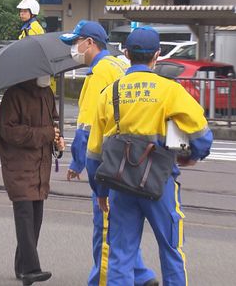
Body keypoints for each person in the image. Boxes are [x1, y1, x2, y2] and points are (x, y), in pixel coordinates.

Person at [86, 27, 213, 285]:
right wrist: (193, 155)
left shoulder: (110, 93)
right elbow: (202, 135)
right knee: (171, 249)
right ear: (157, 55)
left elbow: (94, 152)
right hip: (160, 181)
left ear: (126, 54)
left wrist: (100, 191)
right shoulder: (170, 90)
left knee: (121, 254)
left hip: (119, 184)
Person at [60, 20, 159, 286]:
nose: (74, 49)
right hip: (131, 157)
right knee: (123, 228)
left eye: (75, 43)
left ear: (89, 43)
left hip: (108, 161)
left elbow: (87, 128)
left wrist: (80, 162)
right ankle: (140, 274)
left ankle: (103, 281)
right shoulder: (116, 64)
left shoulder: (100, 73)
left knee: (105, 229)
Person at [0, 77, 65, 286]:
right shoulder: (14, 95)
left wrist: (57, 140)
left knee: (35, 219)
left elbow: (52, 125)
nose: (49, 77)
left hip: (40, 167)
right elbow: (9, 132)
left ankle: (21, 265)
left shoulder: (46, 94)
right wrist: (46, 134)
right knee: (26, 218)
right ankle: (30, 269)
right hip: (19, 166)